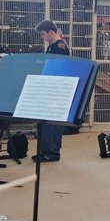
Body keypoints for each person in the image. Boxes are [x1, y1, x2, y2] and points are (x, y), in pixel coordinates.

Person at [33, 20, 69, 162]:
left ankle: (52, 152)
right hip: (50, 88)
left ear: (51, 32)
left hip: (56, 89)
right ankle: (46, 150)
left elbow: (58, 67)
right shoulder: (52, 46)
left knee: (52, 124)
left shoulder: (59, 46)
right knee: (46, 122)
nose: (42, 37)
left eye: (43, 34)